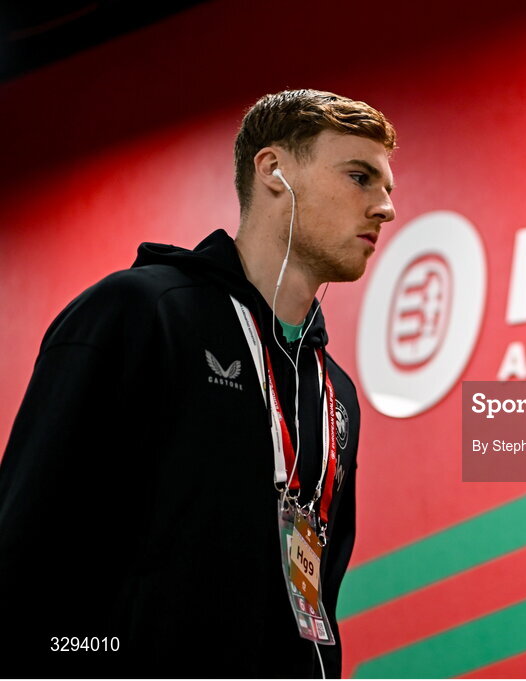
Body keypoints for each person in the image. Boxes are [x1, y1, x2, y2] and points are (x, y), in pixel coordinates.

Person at [0, 89, 396, 678]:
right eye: (360, 177)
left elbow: (317, 595)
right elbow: (25, 551)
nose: (385, 208)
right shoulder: (140, 311)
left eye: (388, 189)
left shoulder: (334, 393)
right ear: (274, 171)